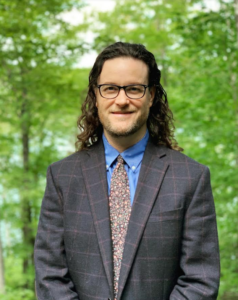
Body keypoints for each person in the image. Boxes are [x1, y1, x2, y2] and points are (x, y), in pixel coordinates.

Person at [34, 42, 220, 300]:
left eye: (134, 89)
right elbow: (49, 275)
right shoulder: (62, 177)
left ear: (151, 95)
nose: (122, 100)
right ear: (96, 96)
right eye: (110, 89)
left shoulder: (191, 178)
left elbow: (200, 280)